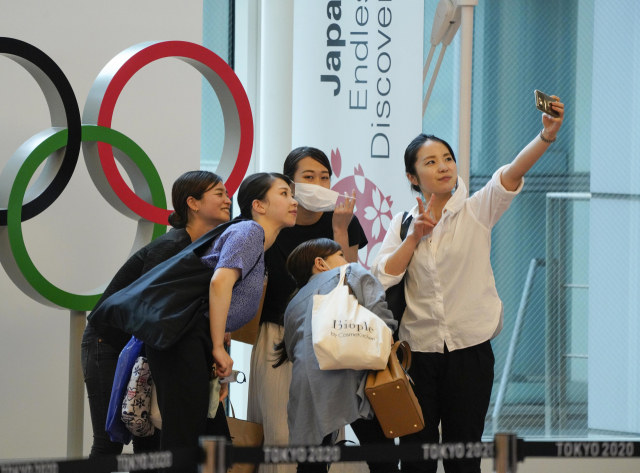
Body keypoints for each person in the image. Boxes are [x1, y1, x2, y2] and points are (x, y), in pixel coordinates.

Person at [371, 98, 565, 473]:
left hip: (470, 353)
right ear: (413, 177)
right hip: (417, 355)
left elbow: (511, 173)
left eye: (447, 158)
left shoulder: (477, 210)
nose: (443, 167)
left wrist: (546, 135)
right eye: (430, 162)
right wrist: (414, 238)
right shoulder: (401, 223)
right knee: (416, 456)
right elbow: (383, 276)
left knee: (464, 456)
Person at [144, 172, 298, 458]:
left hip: (192, 337)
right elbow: (219, 283)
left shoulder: (253, 237)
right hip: (184, 337)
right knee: (186, 440)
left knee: (212, 441)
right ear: (259, 205)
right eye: (284, 194)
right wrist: (217, 346)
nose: (294, 201)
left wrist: (219, 341)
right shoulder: (250, 232)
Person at [81, 170, 232, 457]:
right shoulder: (170, 247)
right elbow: (153, 314)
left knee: (150, 439)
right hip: (110, 344)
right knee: (109, 442)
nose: (228, 200)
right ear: (193, 203)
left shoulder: (207, 249)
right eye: (219, 193)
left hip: (150, 347)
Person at [247, 147, 368, 473]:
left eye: (325, 176)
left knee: (321, 440)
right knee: (282, 437)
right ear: (291, 183)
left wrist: (340, 230)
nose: (318, 183)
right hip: (279, 336)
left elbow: (351, 283)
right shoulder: (272, 221)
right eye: (308, 177)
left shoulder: (343, 220)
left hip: (328, 339)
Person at [277, 238, 397, 473]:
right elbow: (382, 319)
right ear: (320, 263)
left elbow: (292, 351)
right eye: (340, 254)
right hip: (357, 377)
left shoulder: (293, 304)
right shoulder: (349, 271)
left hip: (309, 386)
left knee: (312, 466)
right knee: (383, 461)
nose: (345, 259)